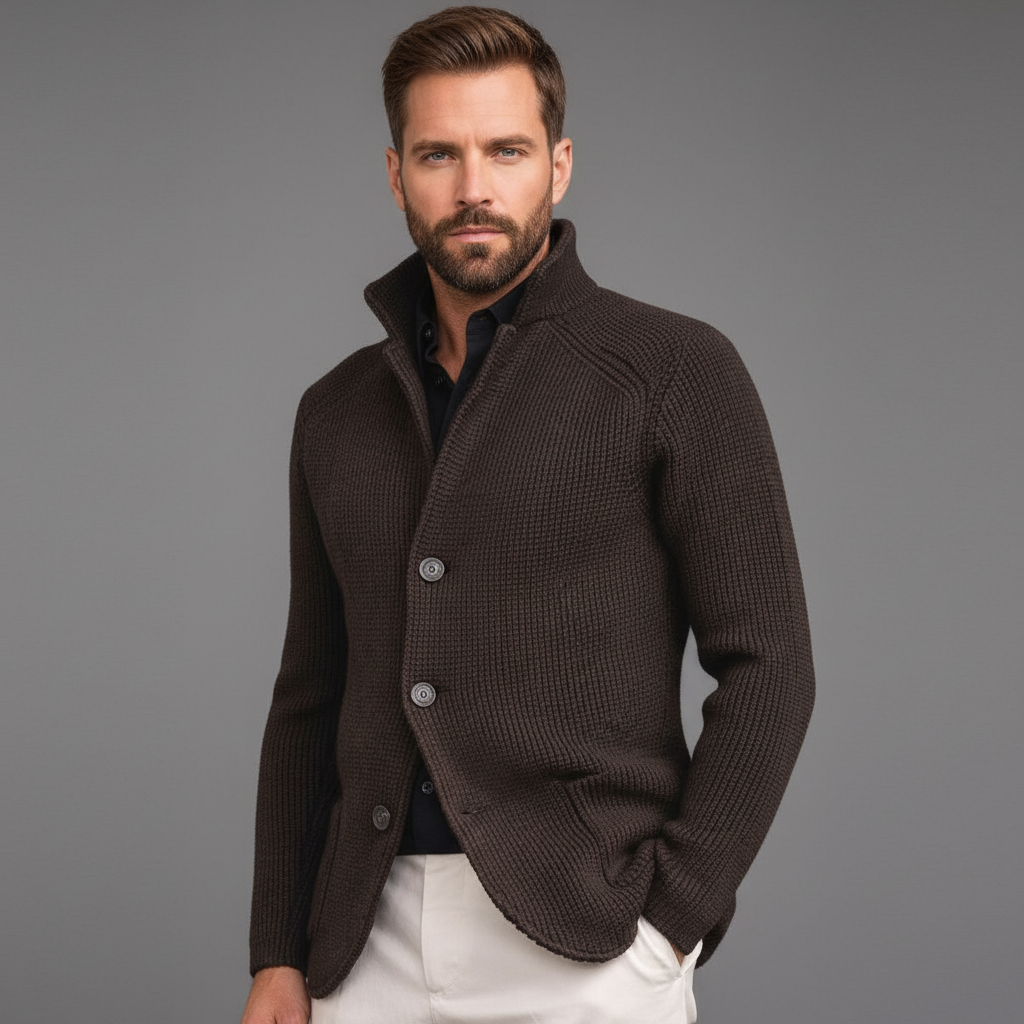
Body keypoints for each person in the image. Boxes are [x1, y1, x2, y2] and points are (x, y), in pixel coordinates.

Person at [241, 7, 814, 1023]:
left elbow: (771, 667)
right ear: (395, 176)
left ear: (559, 165)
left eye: (505, 150)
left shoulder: (674, 371)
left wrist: (670, 925)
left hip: (587, 948)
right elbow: (308, 697)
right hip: (360, 948)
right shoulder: (335, 412)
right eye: (439, 155)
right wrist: (278, 952)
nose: (473, 188)